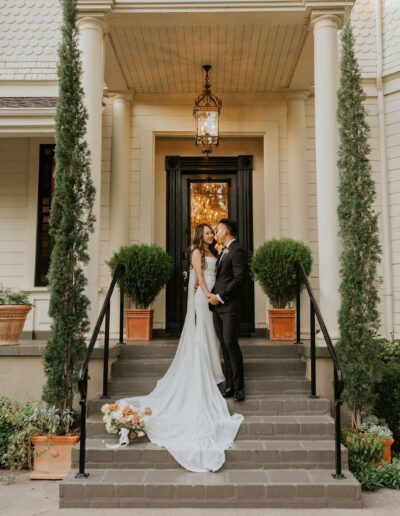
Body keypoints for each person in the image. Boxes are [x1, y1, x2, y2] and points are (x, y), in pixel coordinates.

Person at [116, 223, 244, 473]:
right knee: (203, 335)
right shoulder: (196, 252)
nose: (211, 235)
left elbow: (221, 276)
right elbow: (198, 273)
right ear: (200, 236)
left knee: (212, 337)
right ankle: (204, 373)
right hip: (204, 299)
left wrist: (214, 293)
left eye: (213, 232)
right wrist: (207, 294)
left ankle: (213, 372)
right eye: (208, 232)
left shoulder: (219, 254)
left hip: (215, 299)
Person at [208, 219, 247, 402]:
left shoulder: (237, 250)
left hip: (229, 306)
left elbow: (239, 279)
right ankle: (230, 385)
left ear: (226, 231)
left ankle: (239, 387)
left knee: (231, 344)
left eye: (218, 230)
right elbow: (223, 277)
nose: (216, 233)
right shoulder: (224, 251)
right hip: (218, 308)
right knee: (224, 346)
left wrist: (221, 295)